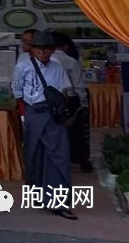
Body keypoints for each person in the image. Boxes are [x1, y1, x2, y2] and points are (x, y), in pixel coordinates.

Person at [12, 29, 77, 220]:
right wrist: (24, 117)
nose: (43, 53)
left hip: (52, 115)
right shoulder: (22, 66)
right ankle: (39, 195)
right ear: (32, 50)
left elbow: (65, 91)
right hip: (33, 114)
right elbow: (17, 92)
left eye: (47, 49)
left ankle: (60, 202)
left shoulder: (57, 67)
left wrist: (63, 112)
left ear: (52, 50)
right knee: (35, 155)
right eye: (39, 49)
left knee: (59, 156)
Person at [54, 33, 92, 172]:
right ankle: (82, 160)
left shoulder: (45, 60)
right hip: (71, 99)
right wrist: (84, 104)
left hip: (51, 100)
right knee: (77, 132)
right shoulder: (70, 61)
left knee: (55, 131)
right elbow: (79, 85)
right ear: (66, 47)